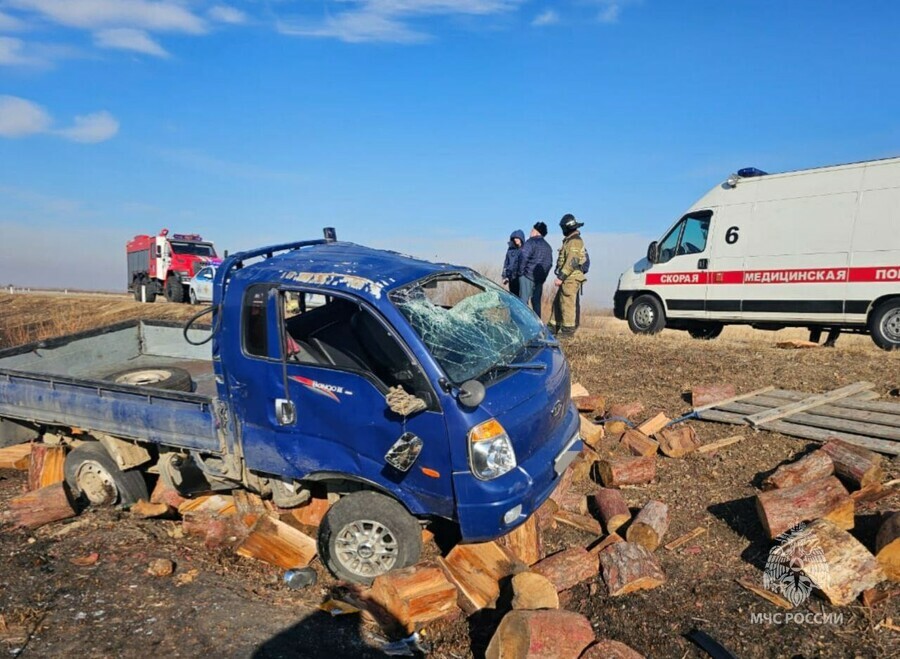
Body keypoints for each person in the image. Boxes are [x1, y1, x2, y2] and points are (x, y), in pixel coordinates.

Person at [550, 214, 588, 338]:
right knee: (558, 302)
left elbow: (572, 261)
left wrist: (561, 276)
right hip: (568, 277)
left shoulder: (575, 241)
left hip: (571, 277)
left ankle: (567, 330)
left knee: (567, 302)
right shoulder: (570, 240)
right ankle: (552, 327)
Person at [518, 221, 553, 318]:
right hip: (539, 280)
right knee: (536, 303)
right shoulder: (548, 247)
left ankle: (523, 324)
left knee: (523, 302)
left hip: (527, 276)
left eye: (532, 230)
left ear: (537, 232)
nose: (530, 232)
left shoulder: (530, 242)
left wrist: (521, 273)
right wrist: (543, 278)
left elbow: (523, 257)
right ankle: (538, 326)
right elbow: (549, 264)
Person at [502, 230, 525, 297]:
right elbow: (506, 263)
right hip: (512, 278)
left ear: (521, 238)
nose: (515, 240)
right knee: (513, 298)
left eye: (517, 238)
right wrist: (504, 276)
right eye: (514, 238)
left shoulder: (526, 249)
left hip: (522, 279)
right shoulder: (510, 249)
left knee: (522, 300)